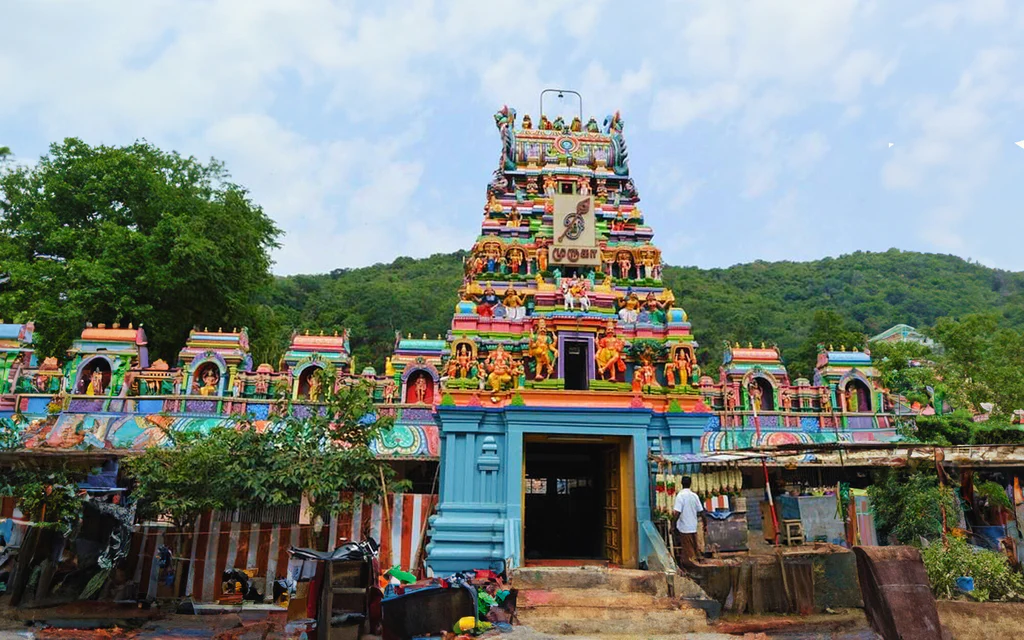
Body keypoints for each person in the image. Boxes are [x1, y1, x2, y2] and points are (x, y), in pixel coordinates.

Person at [673, 476, 704, 569]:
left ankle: (692, 567)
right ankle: (696, 562)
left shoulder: (680, 496)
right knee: (694, 547)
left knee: (688, 550)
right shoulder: (694, 496)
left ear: (681, 483)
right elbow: (702, 511)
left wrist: (673, 524)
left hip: (684, 527)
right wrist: (705, 524)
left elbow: (677, 512)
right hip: (693, 526)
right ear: (690, 484)